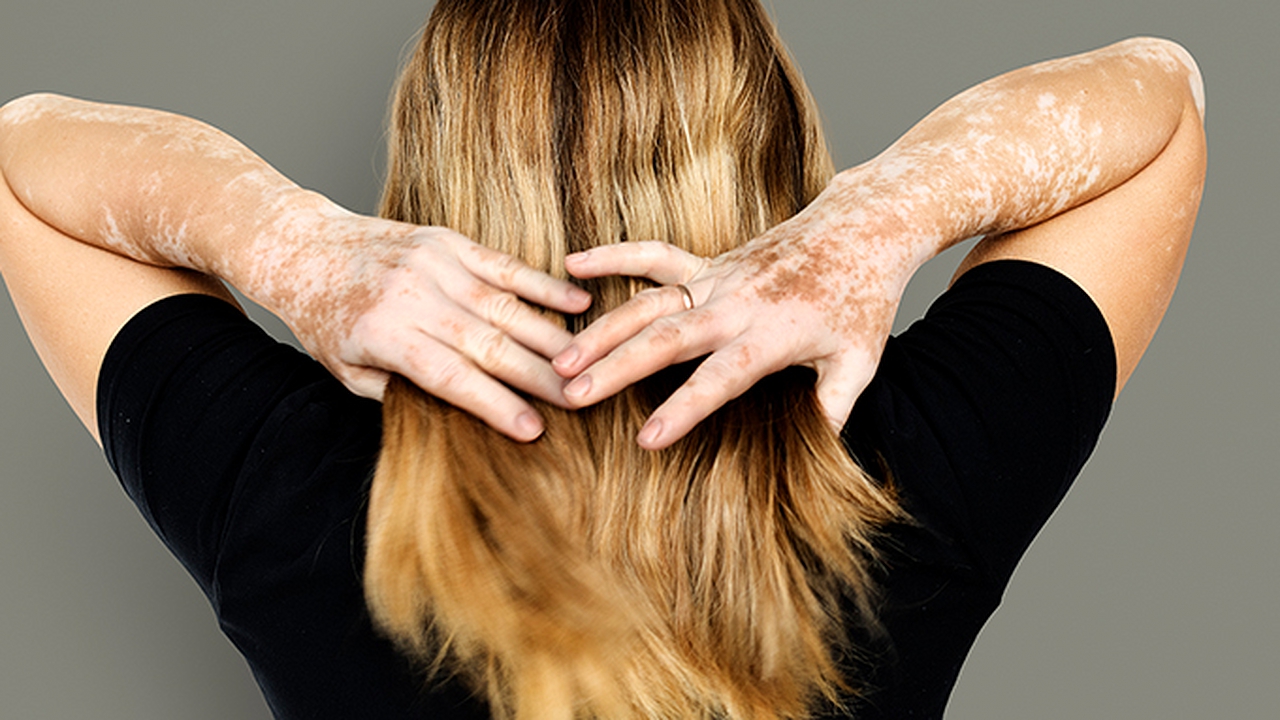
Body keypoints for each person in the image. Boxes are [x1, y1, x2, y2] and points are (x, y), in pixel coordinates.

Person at [0, 0, 1204, 718]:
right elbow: (1161, 97)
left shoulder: (294, 496)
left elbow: (21, 157)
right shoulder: (900, 479)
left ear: (427, 175)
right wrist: (874, 221)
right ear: (773, 154)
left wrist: (297, 248)